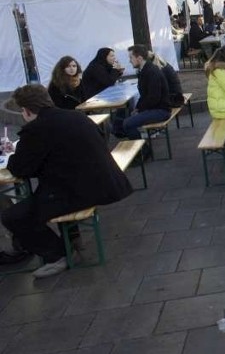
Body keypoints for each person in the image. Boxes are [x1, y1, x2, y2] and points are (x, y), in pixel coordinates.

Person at [0, 85, 132, 277]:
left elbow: (20, 169)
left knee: (13, 216)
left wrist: (12, 154)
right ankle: (70, 240)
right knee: (38, 202)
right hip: (106, 183)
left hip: (79, 191)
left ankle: (57, 255)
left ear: (26, 110)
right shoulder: (74, 116)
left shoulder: (37, 129)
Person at [113, 45, 171, 141]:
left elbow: (153, 98)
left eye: (131, 57)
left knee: (127, 123)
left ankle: (143, 151)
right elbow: (145, 96)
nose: (129, 60)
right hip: (156, 108)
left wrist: (139, 110)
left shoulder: (151, 72)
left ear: (139, 58)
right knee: (125, 119)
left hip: (161, 111)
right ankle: (137, 147)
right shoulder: (145, 70)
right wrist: (138, 108)